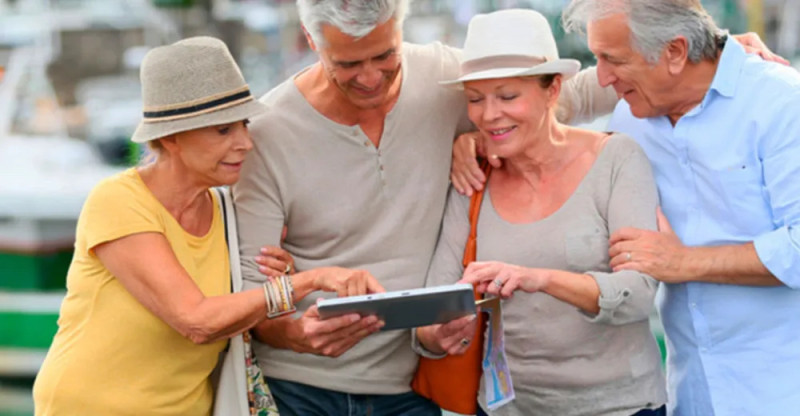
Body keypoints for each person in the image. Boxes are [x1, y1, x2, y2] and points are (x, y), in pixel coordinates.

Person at [233, 0, 629, 414]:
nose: (370, 77)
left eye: (385, 55)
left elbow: (552, 99)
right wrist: (292, 334)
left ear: (401, 30)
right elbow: (251, 294)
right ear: (311, 40)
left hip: (412, 388)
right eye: (348, 63)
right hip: (300, 389)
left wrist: (480, 138)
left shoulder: (442, 78)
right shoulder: (267, 134)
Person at [32, 36, 381, 416]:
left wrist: (276, 280)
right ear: (172, 137)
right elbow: (195, 320)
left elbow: (245, 309)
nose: (246, 143)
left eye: (244, 125)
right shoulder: (117, 201)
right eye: (223, 131)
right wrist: (305, 282)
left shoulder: (230, 211)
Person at [415, 9, 666, 416]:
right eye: (475, 100)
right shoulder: (473, 177)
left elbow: (638, 295)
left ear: (554, 91)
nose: (489, 114)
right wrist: (435, 333)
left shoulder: (616, 158)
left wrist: (540, 279)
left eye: (507, 96)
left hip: (621, 407)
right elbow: (433, 310)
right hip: (506, 408)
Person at [561, 1, 800, 415]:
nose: (600, 77)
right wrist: (469, 141)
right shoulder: (629, 118)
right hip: (689, 394)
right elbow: (534, 111)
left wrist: (685, 262)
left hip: (783, 391)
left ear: (674, 52)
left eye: (612, 60)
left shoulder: (780, 102)